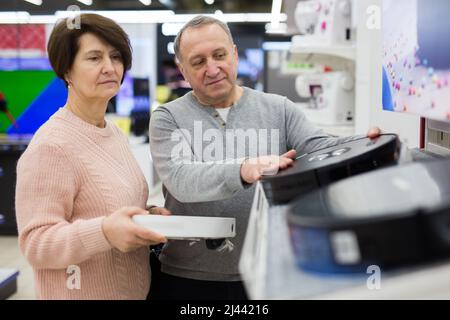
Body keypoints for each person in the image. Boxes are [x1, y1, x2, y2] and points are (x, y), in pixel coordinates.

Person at [149, 15, 382, 300]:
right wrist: (245, 169)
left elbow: (320, 147)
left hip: (265, 273)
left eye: (219, 55)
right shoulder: (168, 117)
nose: (212, 69)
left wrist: (367, 142)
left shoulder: (278, 109)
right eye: (198, 62)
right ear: (182, 69)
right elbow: (181, 180)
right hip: (188, 277)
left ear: (234, 54)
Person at [15, 13, 170, 300]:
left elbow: (104, 205)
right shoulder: (51, 146)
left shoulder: (112, 133)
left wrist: (145, 217)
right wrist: (105, 232)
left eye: (115, 56)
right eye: (94, 58)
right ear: (66, 71)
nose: (110, 68)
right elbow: (36, 244)